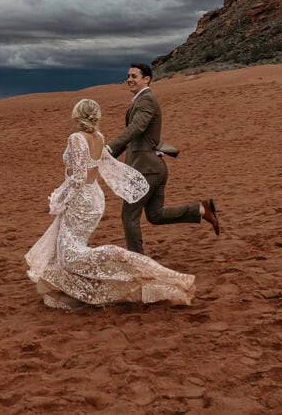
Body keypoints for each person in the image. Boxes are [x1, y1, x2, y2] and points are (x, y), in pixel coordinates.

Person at [25, 99, 196, 310]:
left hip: (81, 200)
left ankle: (116, 260)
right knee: (69, 249)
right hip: (94, 197)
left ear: (76, 115)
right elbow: (106, 165)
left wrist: (60, 198)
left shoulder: (76, 138)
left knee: (70, 254)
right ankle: (73, 287)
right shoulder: (99, 137)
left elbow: (78, 177)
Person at [107, 63, 219, 255]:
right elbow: (135, 136)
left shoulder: (147, 100)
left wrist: (109, 147)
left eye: (134, 76)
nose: (129, 79)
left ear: (147, 79)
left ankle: (138, 263)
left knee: (129, 217)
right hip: (154, 168)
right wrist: (109, 157)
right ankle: (201, 210)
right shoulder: (140, 100)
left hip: (146, 169)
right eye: (128, 76)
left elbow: (136, 129)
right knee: (155, 215)